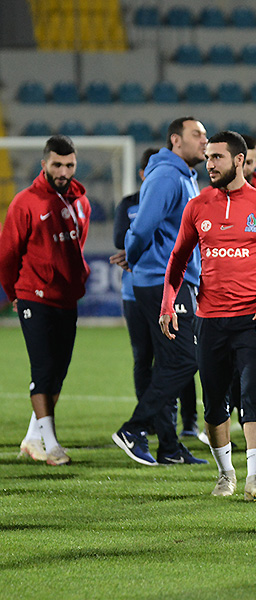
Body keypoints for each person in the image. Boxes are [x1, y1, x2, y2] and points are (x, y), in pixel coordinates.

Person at [160, 130, 256, 500]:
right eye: (207, 157)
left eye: (217, 157)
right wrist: (168, 302)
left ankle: (254, 478)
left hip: (254, 319)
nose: (209, 164)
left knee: (254, 396)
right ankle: (225, 475)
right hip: (209, 319)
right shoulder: (197, 206)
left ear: (239, 160)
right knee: (214, 401)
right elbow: (177, 259)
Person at [112, 116, 208, 466]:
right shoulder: (168, 176)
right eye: (197, 134)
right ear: (176, 140)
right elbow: (141, 228)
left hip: (172, 279)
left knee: (170, 362)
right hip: (163, 281)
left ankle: (169, 446)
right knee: (186, 359)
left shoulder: (183, 175)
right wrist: (135, 256)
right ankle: (134, 428)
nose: (204, 141)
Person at [1, 135, 91, 466]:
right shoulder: (25, 202)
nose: (63, 172)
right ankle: (52, 446)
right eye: (57, 165)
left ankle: (31, 437)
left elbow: (77, 248)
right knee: (43, 369)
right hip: (33, 296)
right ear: (44, 164)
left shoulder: (81, 202)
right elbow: (8, 254)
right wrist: (14, 294)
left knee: (57, 372)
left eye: (69, 165)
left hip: (67, 298)